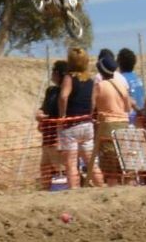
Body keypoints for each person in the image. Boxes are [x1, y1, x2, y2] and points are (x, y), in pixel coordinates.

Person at [57, 48, 103, 189]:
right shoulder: (90, 80)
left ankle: (74, 192)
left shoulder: (69, 78)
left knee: (71, 164)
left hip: (71, 125)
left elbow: (64, 96)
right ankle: (102, 188)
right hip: (86, 123)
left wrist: (62, 115)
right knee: (91, 162)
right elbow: (93, 102)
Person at [91, 54, 130, 186]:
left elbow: (91, 108)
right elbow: (128, 108)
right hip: (124, 124)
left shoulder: (99, 86)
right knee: (124, 161)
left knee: (110, 164)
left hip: (107, 126)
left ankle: (112, 189)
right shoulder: (121, 85)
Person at [36, 60, 67, 190]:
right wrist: (39, 114)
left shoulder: (65, 93)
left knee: (60, 169)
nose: (52, 74)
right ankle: (45, 190)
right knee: (45, 168)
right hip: (47, 137)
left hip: (57, 137)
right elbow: (43, 108)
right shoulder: (51, 91)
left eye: (54, 71)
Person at [116, 48, 145, 124]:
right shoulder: (138, 79)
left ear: (119, 63)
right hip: (141, 119)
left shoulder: (120, 79)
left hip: (129, 120)